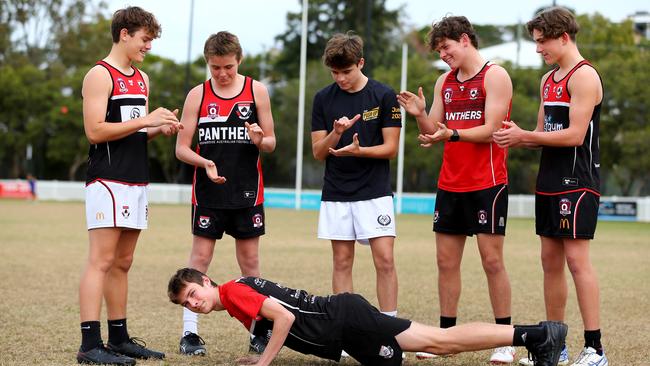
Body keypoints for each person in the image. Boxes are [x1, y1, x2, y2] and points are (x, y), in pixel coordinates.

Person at [493, 7, 607, 366]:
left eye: (543, 42)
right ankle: (557, 345)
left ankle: (595, 349)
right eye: (536, 42)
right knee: (550, 261)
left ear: (564, 37)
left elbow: (574, 135)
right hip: (549, 181)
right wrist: (513, 137)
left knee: (577, 261)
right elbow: (543, 135)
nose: (538, 48)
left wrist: (524, 135)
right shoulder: (547, 80)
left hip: (578, 180)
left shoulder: (584, 76)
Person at [397, 16, 514, 363]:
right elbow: (435, 129)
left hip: (488, 182)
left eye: (446, 48)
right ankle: (443, 339)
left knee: (492, 261)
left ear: (465, 40)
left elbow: (493, 128)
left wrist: (453, 134)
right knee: (446, 262)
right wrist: (420, 115)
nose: (444, 55)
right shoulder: (443, 81)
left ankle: (504, 340)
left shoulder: (496, 75)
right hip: (451, 182)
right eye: (439, 51)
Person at [167, 267, 568, 366]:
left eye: (192, 293)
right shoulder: (236, 291)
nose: (194, 304)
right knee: (434, 344)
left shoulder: (234, 291)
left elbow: (285, 319)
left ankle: (538, 335)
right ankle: (537, 336)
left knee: (437, 343)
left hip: (346, 320)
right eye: (187, 304)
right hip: (344, 325)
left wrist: (264, 362)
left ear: (206, 280)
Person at [78, 6, 181, 365]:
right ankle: (90, 345)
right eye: (144, 39)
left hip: (136, 180)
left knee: (123, 262)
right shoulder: (98, 75)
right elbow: (94, 131)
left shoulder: (142, 79)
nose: (148, 46)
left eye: (150, 40)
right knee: (101, 261)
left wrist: (157, 127)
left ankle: (119, 338)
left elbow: (133, 133)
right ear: (124, 33)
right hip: (107, 180)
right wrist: (146, 120)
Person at [175, 31, 276, 356]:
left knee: (250, 263)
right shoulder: (197, 95)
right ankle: (189, 334)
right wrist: (204, 162)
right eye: (215, 67)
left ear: (239, 61)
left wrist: (260, 139)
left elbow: (272, 143)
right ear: (208, 63)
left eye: (228, 67)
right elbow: (181, 148)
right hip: (208, 195)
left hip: (247, 193)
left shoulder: (255, 91)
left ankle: (259, 329)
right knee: (200, 261)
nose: (222, 73)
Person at [310, 32, 401, 328]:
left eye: (346, 71)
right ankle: (347, 330)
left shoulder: (384, 95)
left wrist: (361, 151)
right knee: (342, 261)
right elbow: (318, 152)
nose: (340, 78)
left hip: (375, 192)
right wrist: (336, 134)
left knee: (385, 260)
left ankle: (389, 328)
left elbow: (391, 148)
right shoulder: (323, 98)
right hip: (337, 192)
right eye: (335, 73)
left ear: (360, 63)